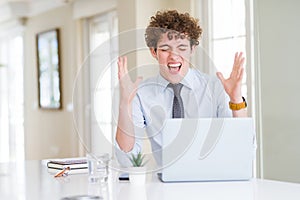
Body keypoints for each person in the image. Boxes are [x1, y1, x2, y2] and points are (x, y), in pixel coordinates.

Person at [115, 10, 247, 167]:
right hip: (165, 186)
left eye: (182, 48)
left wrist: (236, 99)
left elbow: (243, 149)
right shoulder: (141, 94)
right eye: (165, 49)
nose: (174, 56)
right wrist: (125, 103)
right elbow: (127, 160)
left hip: (212, 182)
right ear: (153, 52)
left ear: (192, 50)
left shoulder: (215, 87)